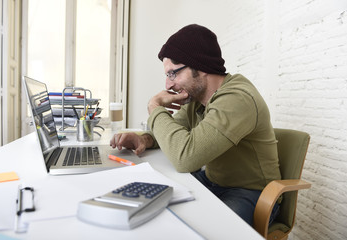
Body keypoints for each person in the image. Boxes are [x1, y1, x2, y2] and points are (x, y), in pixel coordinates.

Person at [110, 24, 281, 226]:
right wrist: (144, 139)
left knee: (206, 229)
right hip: (212, 181)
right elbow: (173, 135)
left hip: (252, 192)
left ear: (199, 67)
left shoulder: (237, 99)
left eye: (173, 73)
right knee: (152, 202)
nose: (168, 85)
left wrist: (154, 106)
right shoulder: (197, 99)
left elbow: (185, 157)